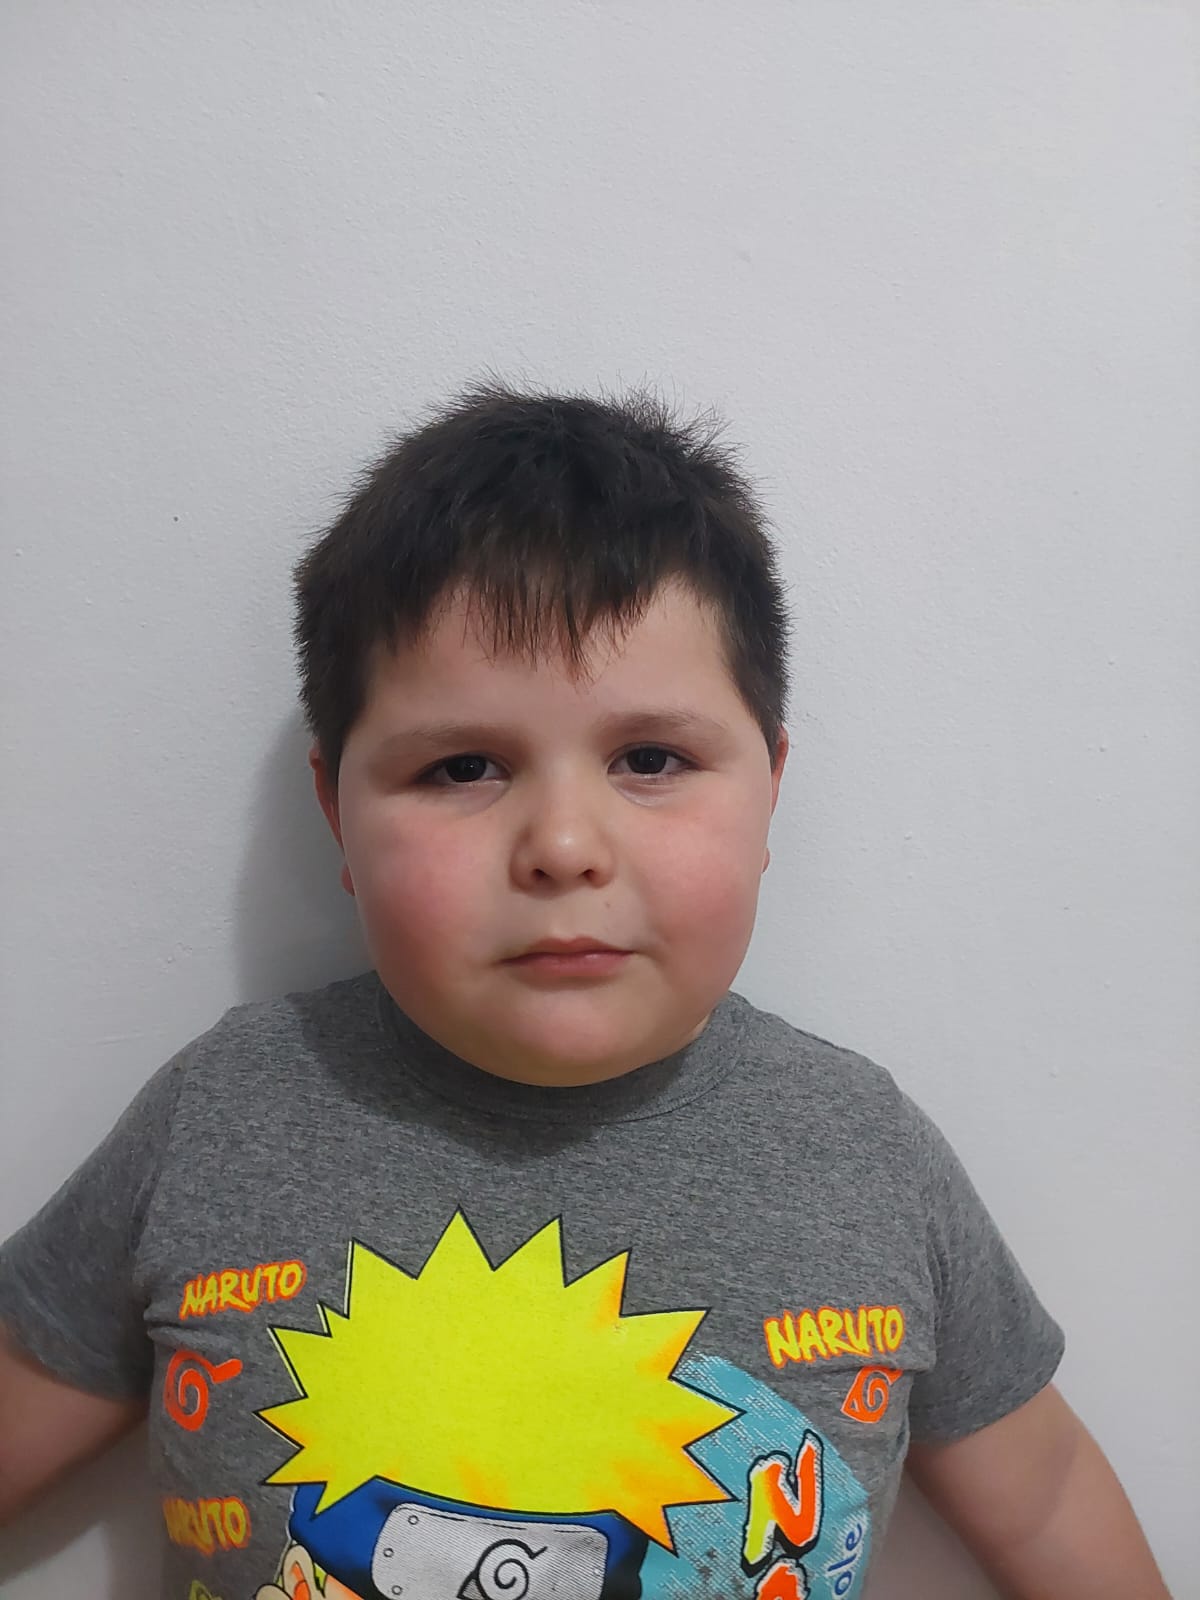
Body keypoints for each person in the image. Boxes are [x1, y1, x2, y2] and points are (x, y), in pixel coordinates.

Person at [0, 385, 1169, 1600]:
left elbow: (1044, 1493)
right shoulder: (223, 1118)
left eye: (650, 758)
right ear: (335, 810)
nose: (563, 845)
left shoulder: (865, 1151)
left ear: (770, 789)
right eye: (463, 766)